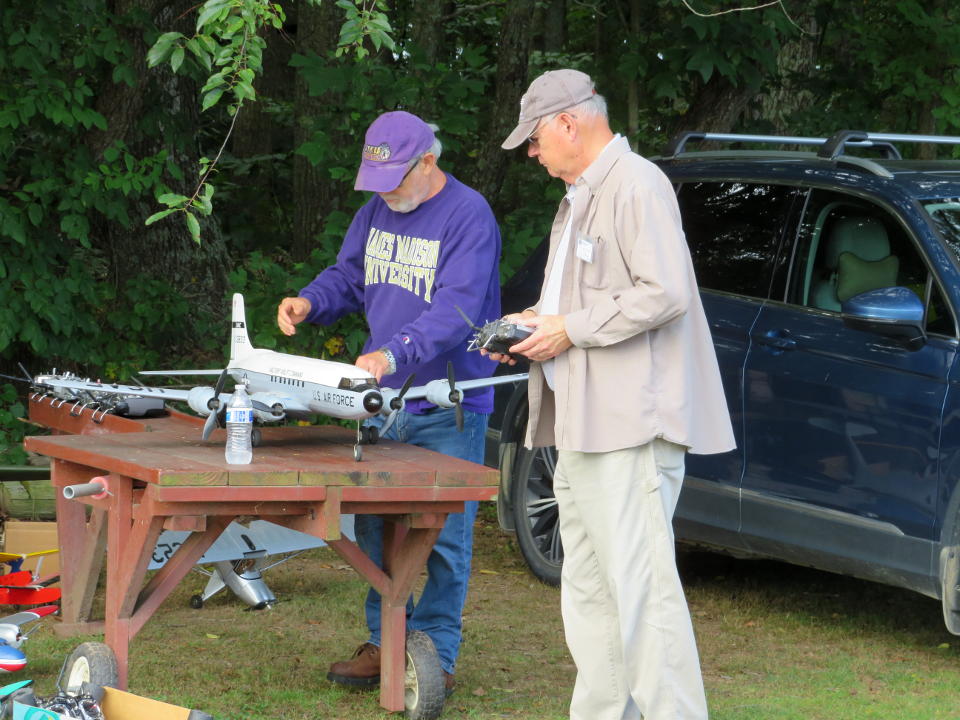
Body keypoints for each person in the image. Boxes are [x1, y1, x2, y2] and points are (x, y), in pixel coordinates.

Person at [493, 70, 736, 720]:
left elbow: (665, 293)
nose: (534, 155)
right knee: (591, 599)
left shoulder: (638, 185)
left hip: (629, 433)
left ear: (569, 123)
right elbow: (565, 308)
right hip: (578, 431)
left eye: (536, 140)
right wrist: (525, 328)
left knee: (645, 604)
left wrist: (567, 329)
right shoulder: (575, 199)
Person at [277, 110, 501, 695]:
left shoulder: (468, 215)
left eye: (394, 180)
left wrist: (392, 353)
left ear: (428, 161)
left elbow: (457, 310)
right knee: (376, 530)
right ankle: (384, 644)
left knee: (444, 540)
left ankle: (435, 658)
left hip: (447, 404)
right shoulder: (378, 209)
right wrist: (309, 302)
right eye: (375, 183)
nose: (384, 195)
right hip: (384, 405)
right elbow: (349, 277)